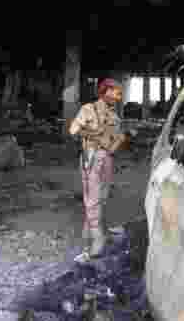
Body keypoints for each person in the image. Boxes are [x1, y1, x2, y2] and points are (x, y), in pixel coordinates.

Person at [68, 78, 128, 257]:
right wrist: (94, 134)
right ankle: (97, 237)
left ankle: (88, 236)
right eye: (117, 93)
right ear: (106, 91)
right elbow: (73, 130)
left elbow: (117, 139)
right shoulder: (88, 109)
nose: (118, 97)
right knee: (92, 197)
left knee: (101, 197)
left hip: (106, 157)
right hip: (91, 156)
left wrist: (117, 143)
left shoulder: (114, 116)